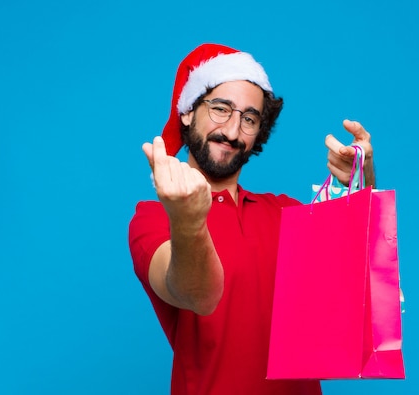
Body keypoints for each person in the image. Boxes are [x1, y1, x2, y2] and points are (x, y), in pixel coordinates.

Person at [128, 43, 376, 395]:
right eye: (220, 109)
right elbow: (195, 293)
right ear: (187, 111)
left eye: (249, 118)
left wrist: (361, 180)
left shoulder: (286, 213)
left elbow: (354, 277)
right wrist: (189, 219)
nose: (232, 131)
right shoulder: (155, 218)